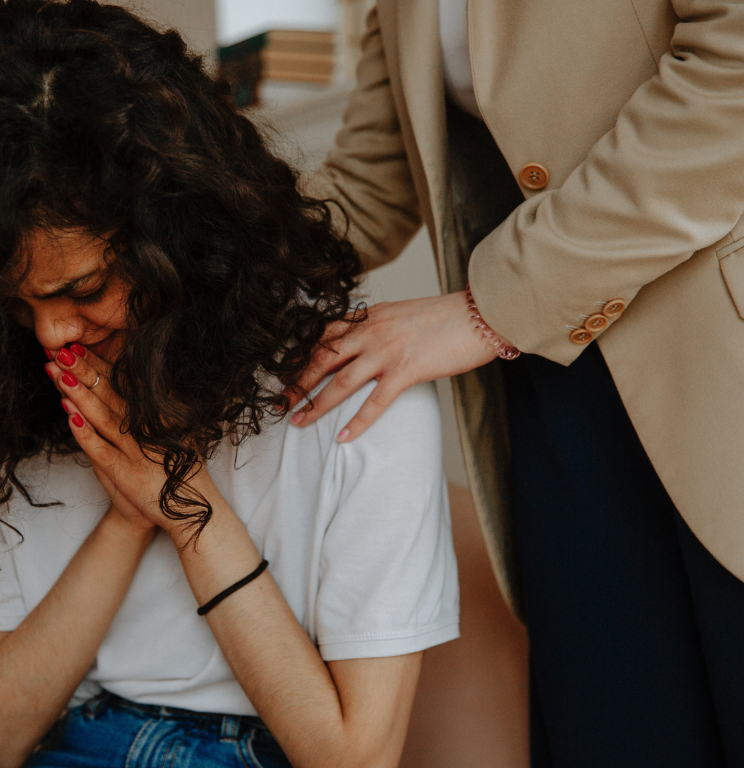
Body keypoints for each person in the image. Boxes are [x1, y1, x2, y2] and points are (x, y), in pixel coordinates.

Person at [0, 2, 459, 766]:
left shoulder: (357, 385)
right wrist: (127, 517)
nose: (54, 334)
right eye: (18, 305)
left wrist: (183, 500)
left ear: (179, 239)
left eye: (85, 288)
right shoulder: (13, 392)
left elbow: (353, 756)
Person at [290, 0, 744, 765]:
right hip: (553, 395)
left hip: (713, 364)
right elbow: (372, 181)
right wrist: (163, 260)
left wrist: (484, 310)